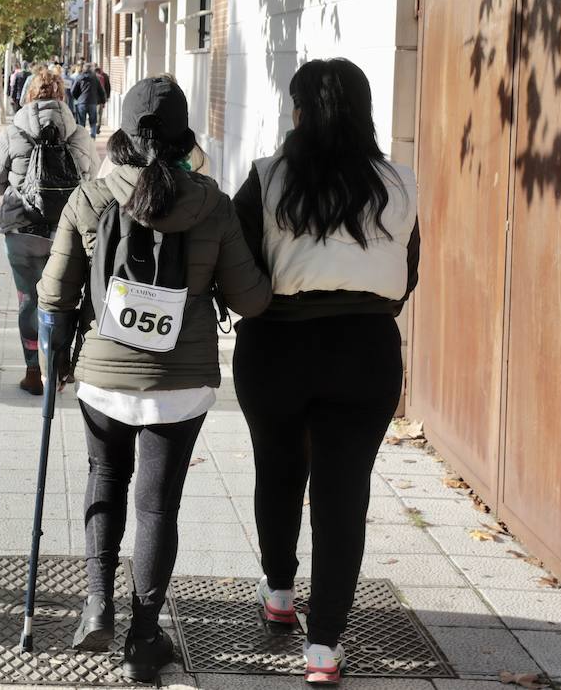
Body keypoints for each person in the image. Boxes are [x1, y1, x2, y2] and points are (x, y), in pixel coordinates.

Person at [37, 76, 271, 682]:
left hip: (105, 376)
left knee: (104, 478)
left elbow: (55, 293)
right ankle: (144, 638)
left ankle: (95, 606)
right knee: (157, 507)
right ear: (183, 135)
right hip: (182, 379)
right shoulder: (212, 204)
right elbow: (250, 298)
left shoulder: (90, 198)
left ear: (120, 133)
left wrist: (53, 357)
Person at [231, 58, 420, 685]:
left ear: (302, 111)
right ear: (364, 112)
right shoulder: (396, 183)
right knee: (345, 495)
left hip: (276, 346)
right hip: (365, 348)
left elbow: (239, 264)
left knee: (278, 470)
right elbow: (407, 276)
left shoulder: (267, 178)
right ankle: (324, 649)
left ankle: (280, 594)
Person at [0, 70, 98, 395]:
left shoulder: (13, 133)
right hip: (67, 232)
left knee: (29, 301)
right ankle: (59, 367)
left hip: (22, 231)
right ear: (63, 97)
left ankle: (34, 371)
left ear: (29, 96)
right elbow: (92, 184)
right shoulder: (79, 135)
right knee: (62, 301)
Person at [73, 63, 108, 139]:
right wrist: (103, 100)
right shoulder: (95, 78)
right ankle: (93, 136)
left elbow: (73, 91)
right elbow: (101, 90)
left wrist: (78, 98)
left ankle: (82, 137)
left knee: (81, 122)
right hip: (92, 102)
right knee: (93, 121)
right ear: (92, 69)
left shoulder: (79, 78)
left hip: (81, 102)